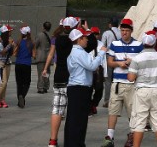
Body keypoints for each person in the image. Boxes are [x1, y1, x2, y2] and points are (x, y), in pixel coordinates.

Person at [102, 18, 144, 147]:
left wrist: (132, 62)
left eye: (126, 30)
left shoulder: (138, 45)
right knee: (113, 110)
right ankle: (110, 137)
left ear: (131, 31)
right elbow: (109, 62)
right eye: (122, 30)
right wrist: (118, 63)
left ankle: (132, 135)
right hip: (117, 83)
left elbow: (143, 63)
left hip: (132, 84)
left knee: (132, 112)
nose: (124, 33)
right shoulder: (114, 44)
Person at [64, 27, 107, 147]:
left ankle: (74, 143)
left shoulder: (76, 52)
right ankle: (76, 143)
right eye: (85, 38)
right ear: (79, 39)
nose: (87, 40)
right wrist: (102, 52)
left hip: (77, 88)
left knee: (76, 119)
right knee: (78, 120)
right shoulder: (78, 53)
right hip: (79, 89)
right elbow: (92, 66)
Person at [127, 31, 157, 147]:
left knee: (139, 122)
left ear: (143, 43)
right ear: (154, 43)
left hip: (142, 91)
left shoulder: (137, 59)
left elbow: (131, 78)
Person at [43, 16, 76, 147]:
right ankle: (70, 140)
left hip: (59, 77)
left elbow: (51, 54)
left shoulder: (57, 39)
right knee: (73, 111)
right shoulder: (76, 41)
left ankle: (52, 140)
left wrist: (45, 68)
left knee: (57, 110)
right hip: (73, 78)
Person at [101, 17, 121, 107]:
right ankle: (117, 100)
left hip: (108, 56)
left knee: (108, 80)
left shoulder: (107, 33)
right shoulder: (121, 33)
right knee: (117, 79)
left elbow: (102, 45)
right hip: (119, 57)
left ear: (110, 24)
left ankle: (107, 101)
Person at [14, 26, 35, 108]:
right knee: (27, 82)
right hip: (27, 64)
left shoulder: (18, 41)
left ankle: (19, 99)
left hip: (18, 64)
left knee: (19, 83)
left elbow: (15, 54)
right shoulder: (32, 43)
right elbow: (34, 55)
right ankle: (22, 96)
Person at [89, 26, 107, 116]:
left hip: (99, 68)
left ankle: (94, 104)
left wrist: (105, 73)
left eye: (97, 34)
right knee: (89, 89)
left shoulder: (101, 44)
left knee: (99, 89)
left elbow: (104, 60)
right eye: (93, 34)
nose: (95, 36)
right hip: (90, 67)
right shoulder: (88, 44)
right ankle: (89, 107)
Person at [0, 25, 15, 109]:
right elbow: (2, 52)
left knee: (6, 83)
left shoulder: (9, 40)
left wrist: (12, 46)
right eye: (10, 31)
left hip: (8, 62)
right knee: (3, 82)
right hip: (1, 63)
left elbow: (11, 53)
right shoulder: (0, 41)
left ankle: (2, 99)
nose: (11, 32)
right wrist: (10, 45)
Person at [35, 21, 52, 94]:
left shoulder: (40, 35)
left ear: (43, 27)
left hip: (41, 56)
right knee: (47, 72)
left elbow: (35, 44)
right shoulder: (51, 35)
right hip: (48, 56)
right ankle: (46, 86)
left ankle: (40, 88)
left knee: (41, 72)